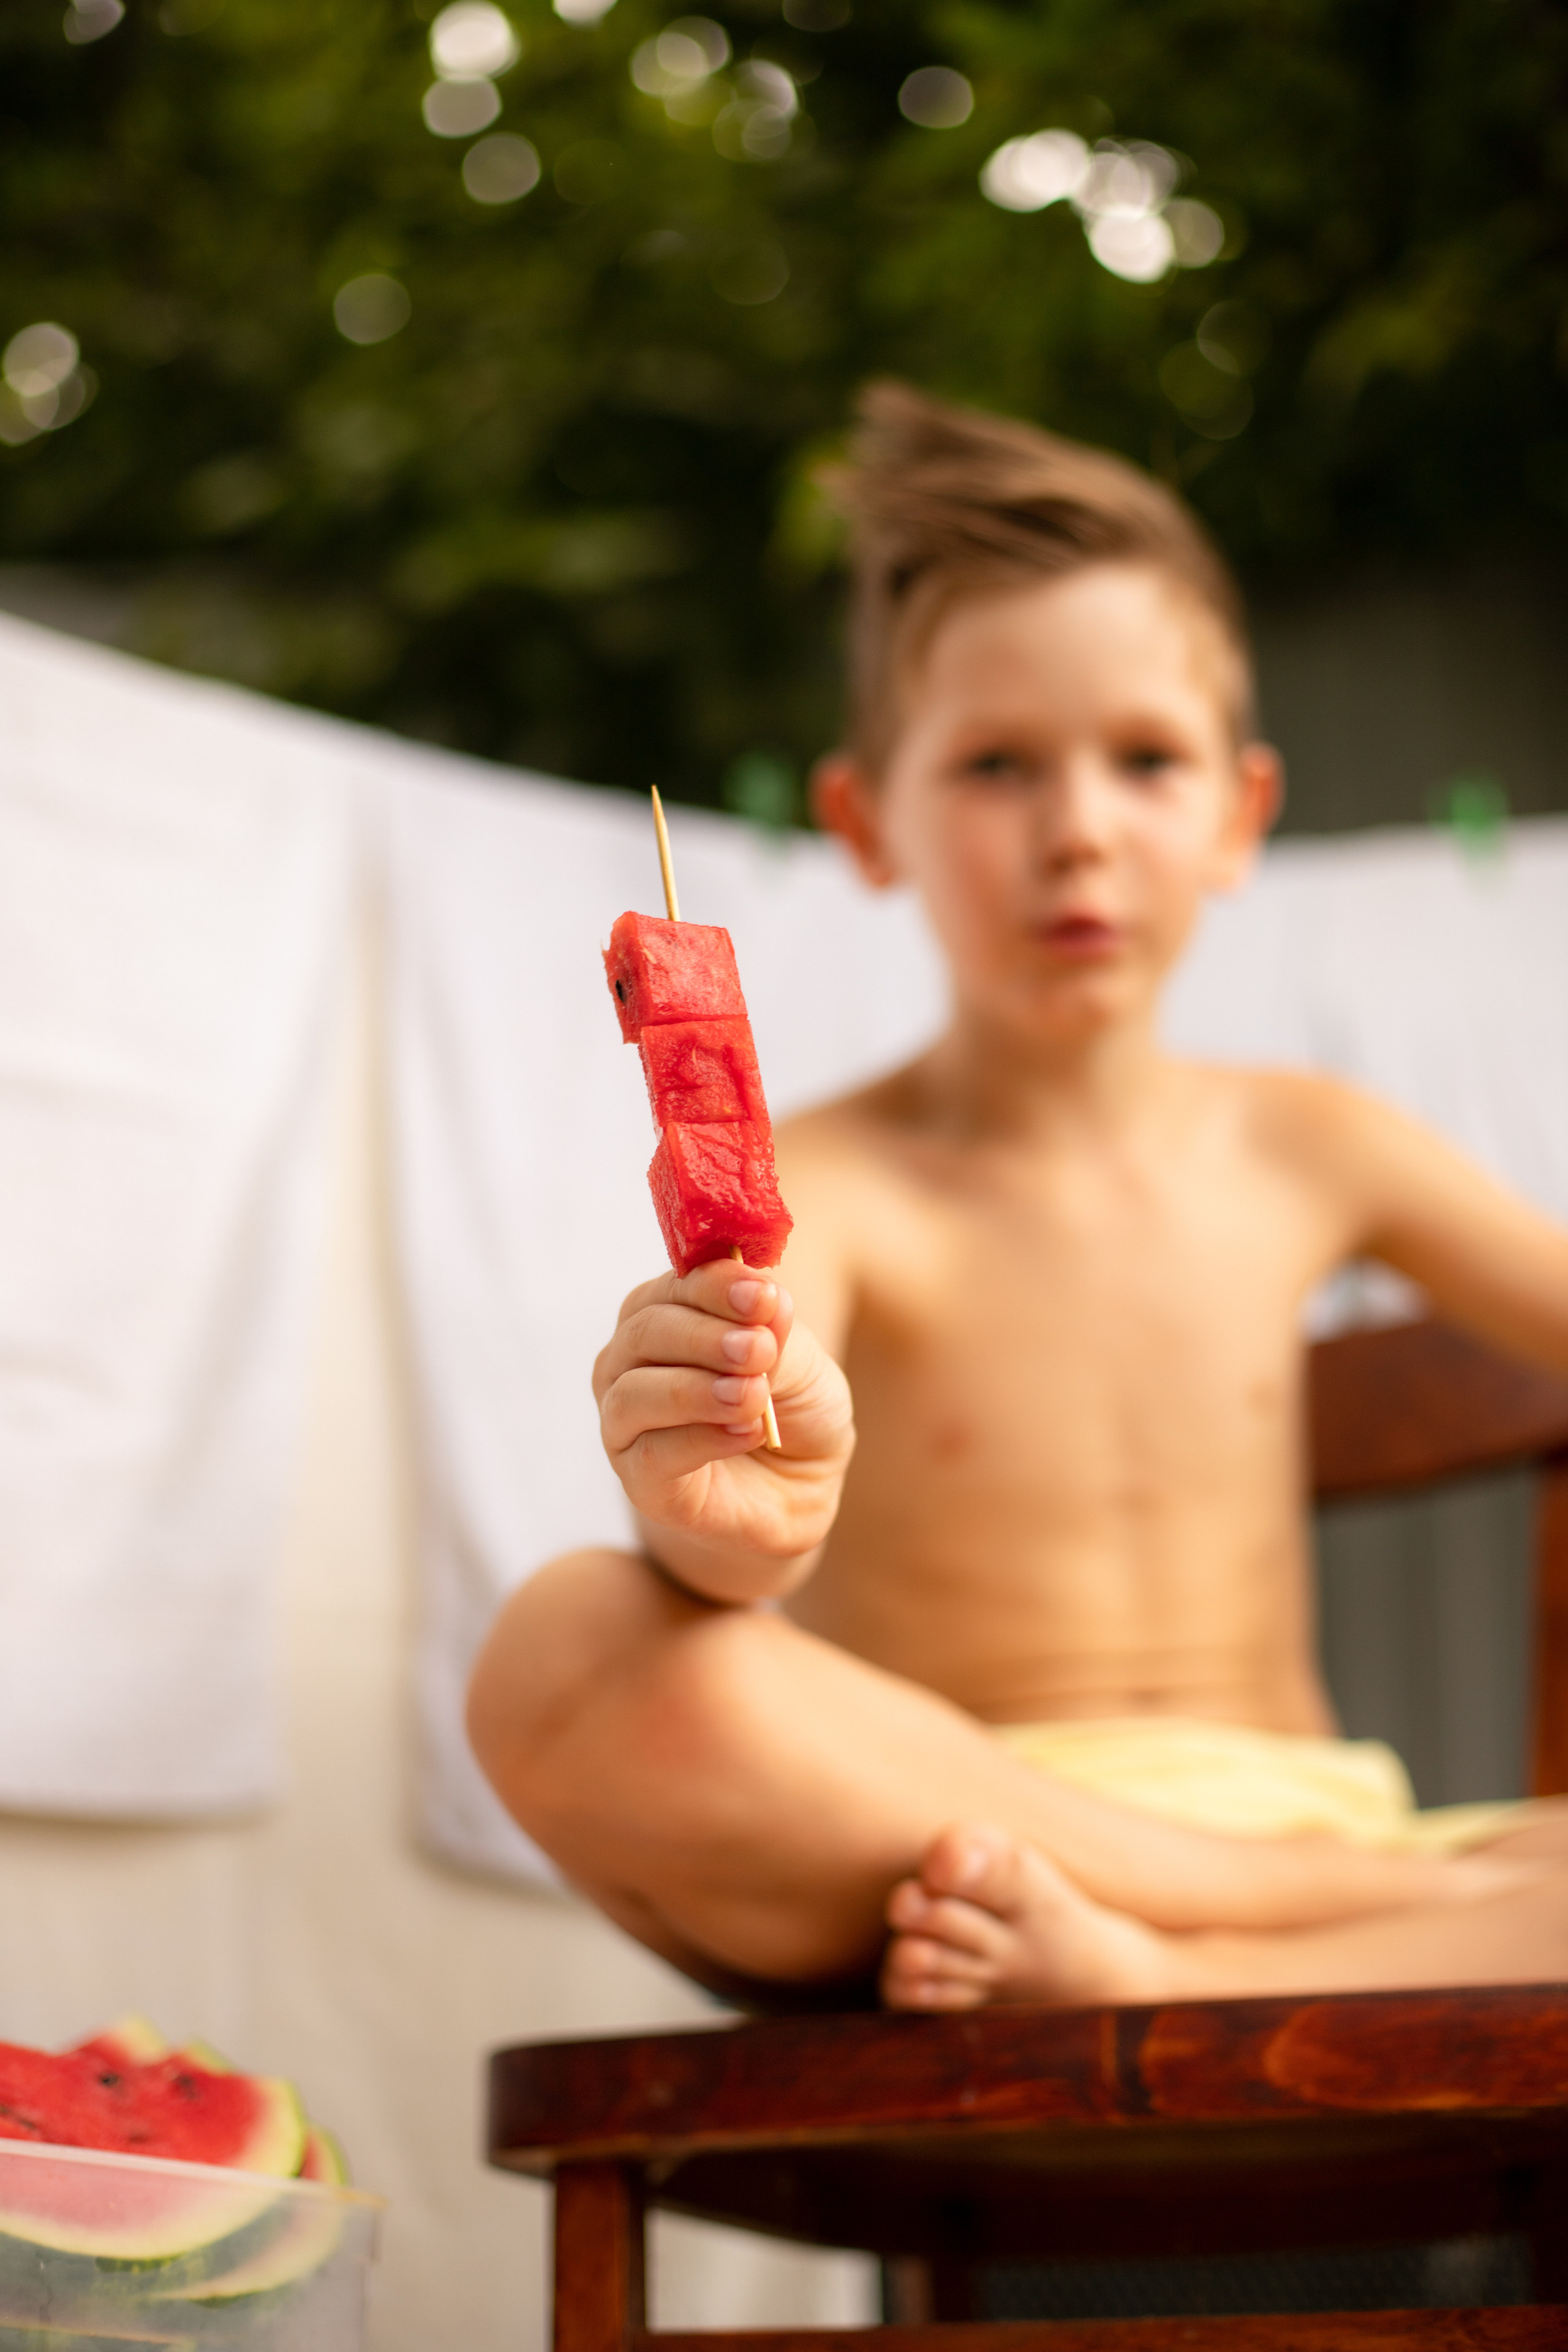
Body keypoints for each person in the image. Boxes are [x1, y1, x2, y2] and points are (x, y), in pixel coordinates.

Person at [467, 382, 1568, 2011]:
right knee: (562, 1652)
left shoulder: (1320, 1142)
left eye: (1145, 760)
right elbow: (739, 1557)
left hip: (1322, 1847)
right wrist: (723, 1515)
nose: (1076, 833)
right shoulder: (835, 1183)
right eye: (996, 765)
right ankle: (1266, 1941)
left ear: (1238, 816)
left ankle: (1174, 1969)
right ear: (865, 823)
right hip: (955, 1856)